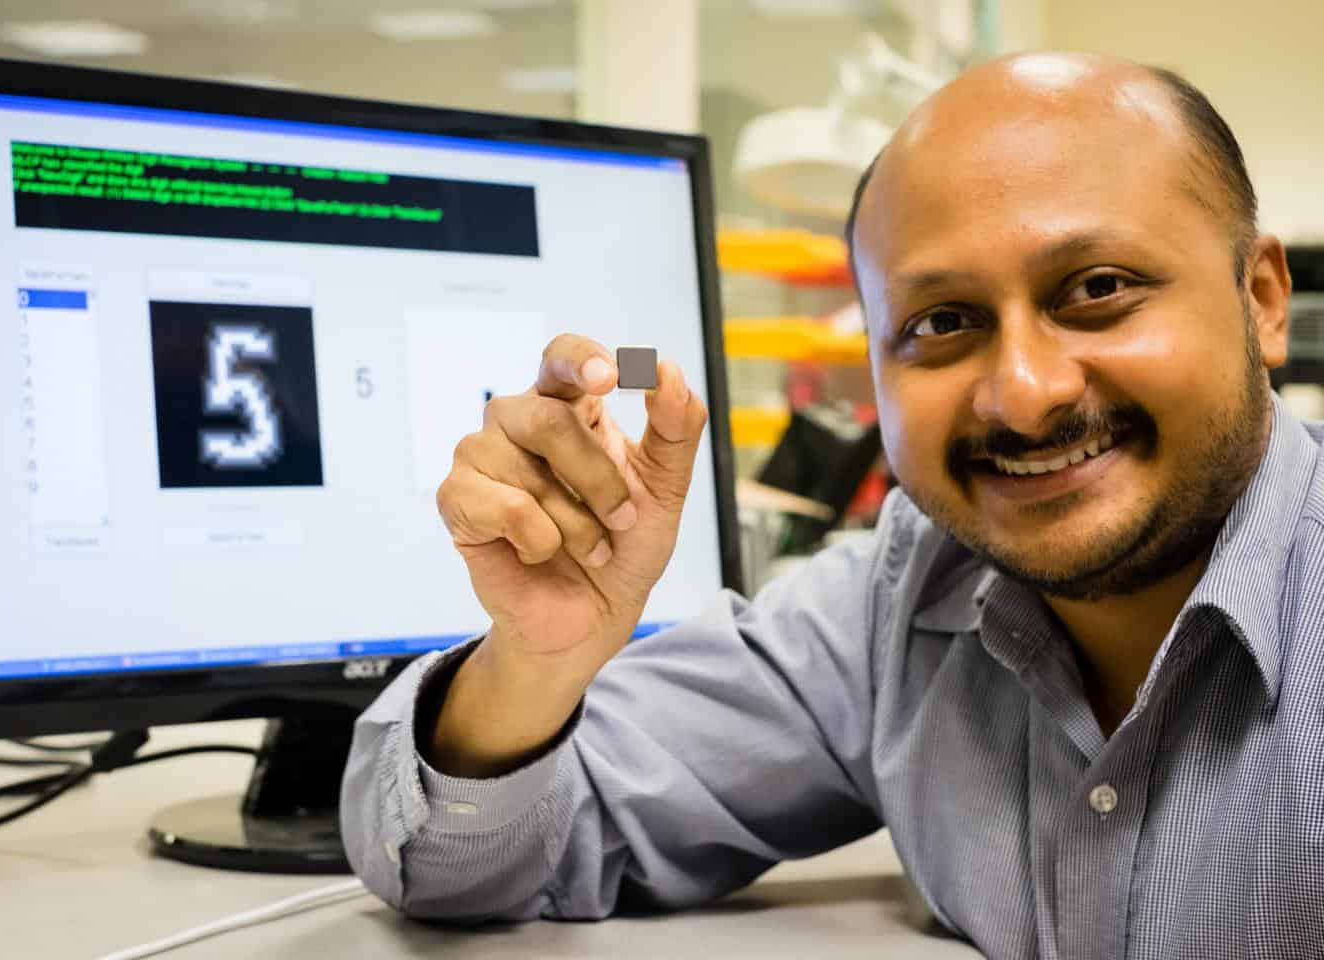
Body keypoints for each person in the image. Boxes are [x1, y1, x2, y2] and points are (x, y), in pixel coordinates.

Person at [340, 51, 1324, 959]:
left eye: (1098, 287)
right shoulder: (899, 605)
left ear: (1263, 299)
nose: (1023, 393)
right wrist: (537, 659)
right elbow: (456, 862)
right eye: (942, 322)